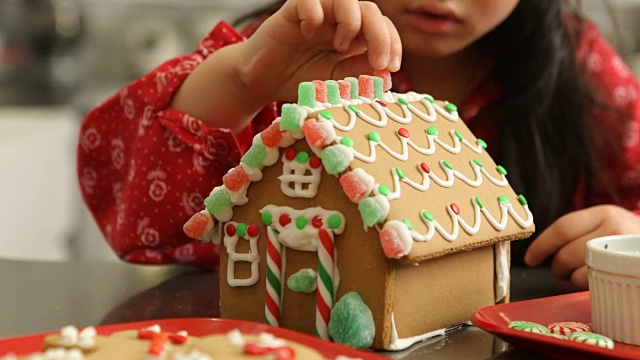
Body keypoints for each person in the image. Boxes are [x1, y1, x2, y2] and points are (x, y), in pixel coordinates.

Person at [77, 0, 640, 290]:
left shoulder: (581, 68)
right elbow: (137, 215)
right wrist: (246, 80)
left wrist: (631, 237)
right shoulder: (287, 48)